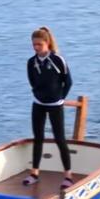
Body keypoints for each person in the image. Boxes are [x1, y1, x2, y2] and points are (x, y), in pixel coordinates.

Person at [24, 25, 74, 186]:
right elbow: (32, 81)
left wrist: (60, 98)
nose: (36, 48)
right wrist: (38, 94)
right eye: (34, 45)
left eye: (39, 44)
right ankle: (34, 173)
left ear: (47, 43)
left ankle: (68, 175)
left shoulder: (58, 60)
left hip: (55, 105)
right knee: (38, 138)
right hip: (38, 104)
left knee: (60, 139)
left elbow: (68, 81)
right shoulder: (31, 62)